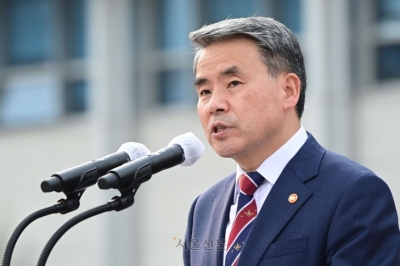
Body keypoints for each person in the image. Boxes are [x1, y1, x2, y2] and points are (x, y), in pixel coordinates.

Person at [183, 17, 400, 266]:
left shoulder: (352, 193)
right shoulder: (204, 209)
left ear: (288, 90)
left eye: (233, 83)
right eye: (204, 92)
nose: (214, 105)